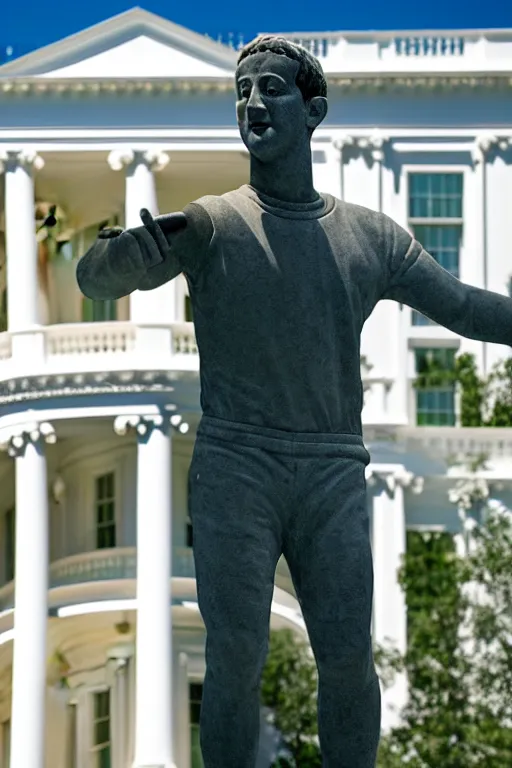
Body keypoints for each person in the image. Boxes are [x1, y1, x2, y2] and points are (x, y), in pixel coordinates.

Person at [77, 35, 512, 768]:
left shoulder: (372, 239)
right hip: (235, 464)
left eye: (270, 89)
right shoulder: (211, 222)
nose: (252, 103)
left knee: (347, 658)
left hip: (331, 473)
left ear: (314, 111)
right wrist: (123, 255)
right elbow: (96, 279)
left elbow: (467, 308)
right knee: (237, 653)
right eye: (242, 92)